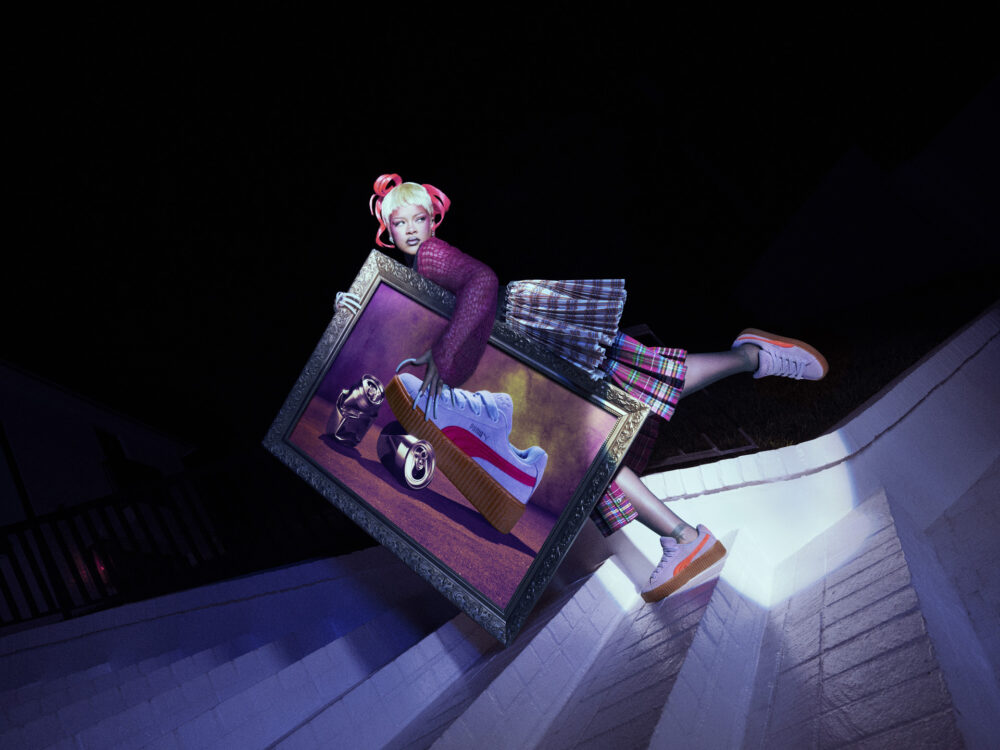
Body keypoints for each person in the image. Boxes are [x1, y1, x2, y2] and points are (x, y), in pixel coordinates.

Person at [339, 173, 829, 602]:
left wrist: (444, 355)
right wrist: (359, 308)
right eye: (399, 223)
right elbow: (426, 324)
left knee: (595, 450)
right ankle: (751, 362)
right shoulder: (417, 272)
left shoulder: (429, 257)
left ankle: (685, 535)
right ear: (387, 231)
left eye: (419, 219)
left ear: (433, 220)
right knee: (622, 413)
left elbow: (482, 284)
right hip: (521, 354)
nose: (411, 230)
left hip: (526, 352)